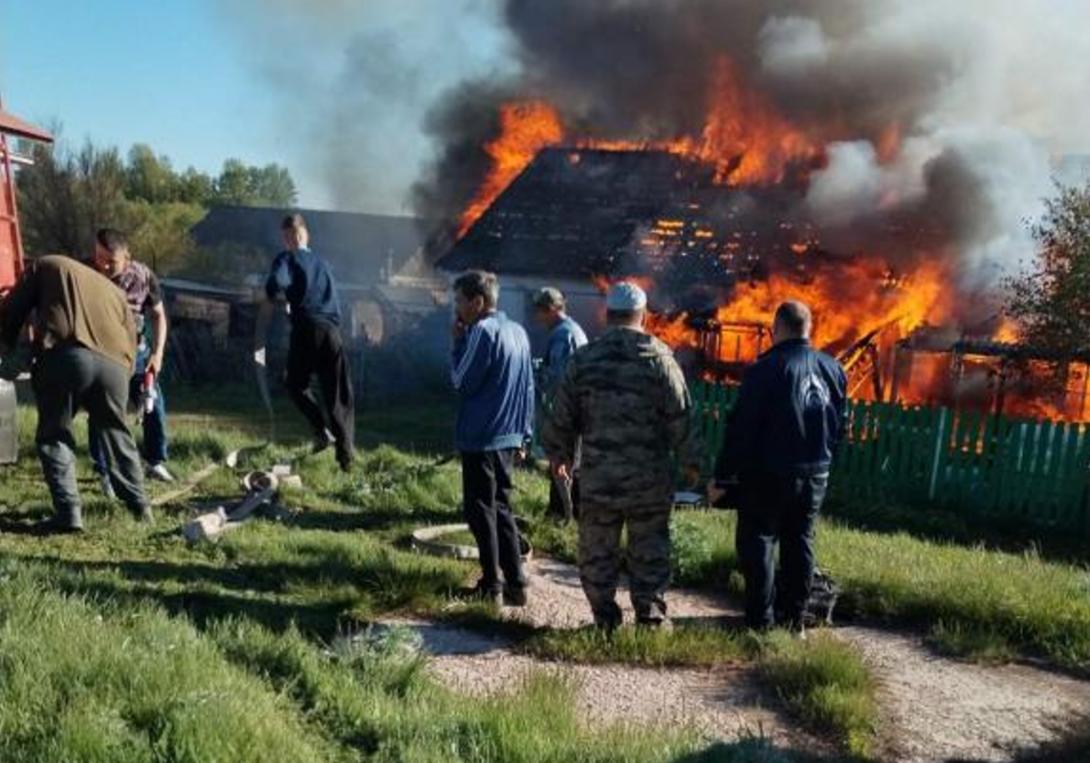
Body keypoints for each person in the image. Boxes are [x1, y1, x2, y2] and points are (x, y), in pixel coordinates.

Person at [542, 282, 700, 629]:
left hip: (600, 479)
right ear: (642, 315)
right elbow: (681, 416)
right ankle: (651, 618)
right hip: (649, 481)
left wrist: (560, 454)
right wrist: (692, 463)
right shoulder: (660, 358)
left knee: (597, 553)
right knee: (650, 550)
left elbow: (562, 414)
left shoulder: (584, 359)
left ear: (607, 315)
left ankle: (604, 619)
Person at [709, 300, 847, 636]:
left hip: (768, 474)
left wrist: (724, 477)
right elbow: (841, 426)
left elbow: (742, 428)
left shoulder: (766, 369)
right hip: (816, 473)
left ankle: (760, 623)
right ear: (808, 328)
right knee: (801, 542)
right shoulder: (833, 369)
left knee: (759, 542)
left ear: (778, 327)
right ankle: (794, 621)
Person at [0, 255, 150, 532]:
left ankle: (68, 514)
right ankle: (141, 506)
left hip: (67, 356)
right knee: (116, 433)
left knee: (55, 435)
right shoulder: (112, 289)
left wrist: (6, 344)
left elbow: (13, 311)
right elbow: (132, 335)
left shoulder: (43, 265)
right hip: (117, 367)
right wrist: (125, 375)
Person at [451, 270, 534, 606]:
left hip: (481, 436)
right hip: (509, 435)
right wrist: (525, 435)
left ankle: (491, 586)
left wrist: (456, 343)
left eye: (459, 300)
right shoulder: (519, 332)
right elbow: (529, 386)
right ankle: (516, 583)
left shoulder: (482, 332)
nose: (456, 308)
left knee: (480, 510)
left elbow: (460, 380)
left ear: (477, 301)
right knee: (502, 508)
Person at [256, 213, 355, 471]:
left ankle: (321, 431)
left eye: (288, 237)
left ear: (289, 238)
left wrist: (275, 297)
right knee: (338, 395)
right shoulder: (323, 263)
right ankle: (347, 460)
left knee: (295, 384)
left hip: (306, 329)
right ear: (306, 235)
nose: (289, 240)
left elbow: (273, 285)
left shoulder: (287, 258)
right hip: (332, 331)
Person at [88, 228, 174, 491]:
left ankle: (155, 460)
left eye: (110, 261)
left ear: (126, 257)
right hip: (101, 353)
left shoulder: (143, 276)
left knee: (153, 404)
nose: (103, 265)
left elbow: (158, 315)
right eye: (98, 257)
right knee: (102, 411)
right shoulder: (86, 273)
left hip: (137, 353)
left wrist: (157, 355)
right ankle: (104, 470)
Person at [531, 286, 587, 521]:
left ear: (552, 309)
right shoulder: (570, 331)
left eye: (540, 310)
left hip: (568, 411)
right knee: (569, 462)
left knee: (563, 463)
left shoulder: (564, 336)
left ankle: (562, 515)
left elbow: (558, 379)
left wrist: (534, 375)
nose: (537, 316)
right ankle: (566, 513)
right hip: (575, 408)